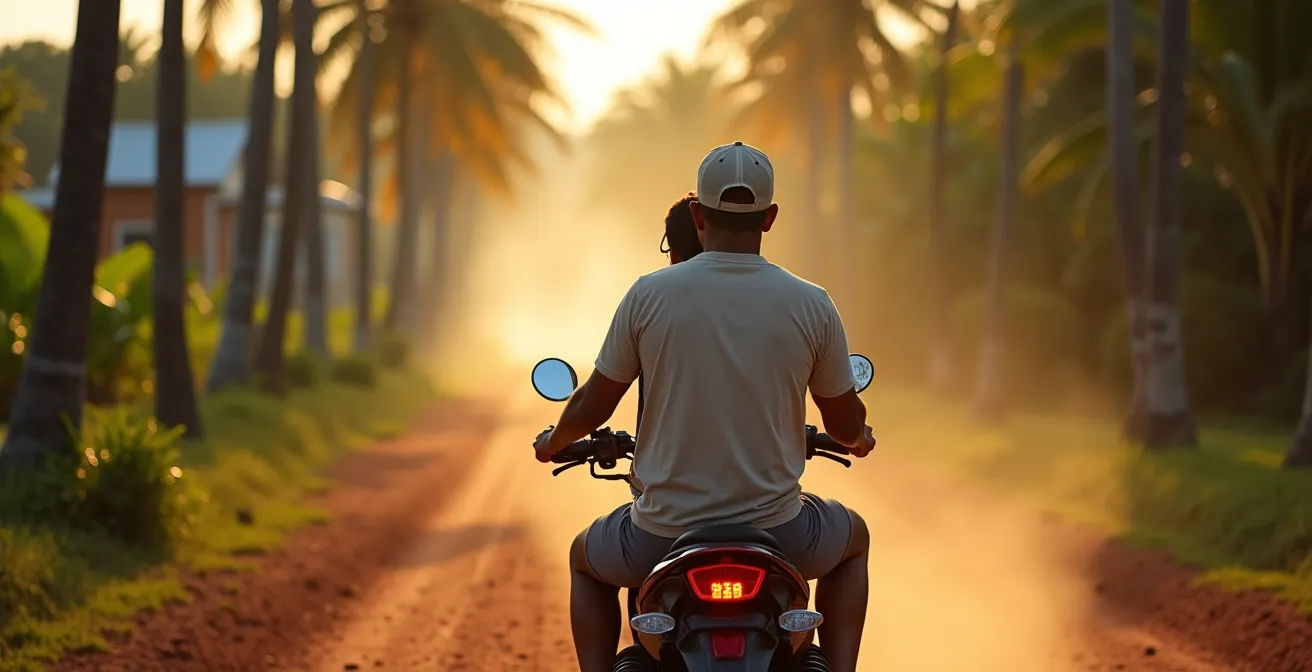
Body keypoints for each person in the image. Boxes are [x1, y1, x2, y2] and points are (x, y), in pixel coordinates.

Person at [533, 142, 874, 672]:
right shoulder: (813, 302)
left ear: (697, 214)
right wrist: (859, 438)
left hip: (660, 532)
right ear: (770, 218)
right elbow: (844, 422)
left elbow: (593, 404)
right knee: (855, 540)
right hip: (779, 529)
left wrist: (552, 441)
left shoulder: (649, 294)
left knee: (584, 560)